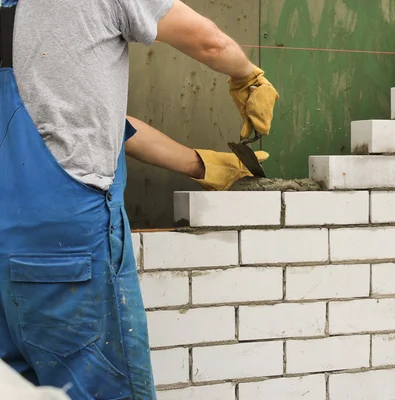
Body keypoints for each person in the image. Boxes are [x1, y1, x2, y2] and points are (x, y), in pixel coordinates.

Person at [0, 0, 278, 398]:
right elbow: (210, 43)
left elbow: (95, 120)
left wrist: (199, 164)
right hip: (68, 248)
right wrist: (247, 77)